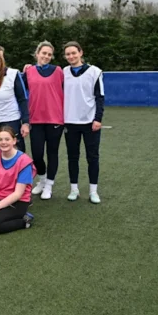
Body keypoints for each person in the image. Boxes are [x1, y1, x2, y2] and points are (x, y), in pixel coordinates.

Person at [62, 41, 104, 204]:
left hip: (90, 122)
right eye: (68, 54)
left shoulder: (95, 72)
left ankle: (93, 191)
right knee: (73, 157)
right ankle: (74, 189)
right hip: (70, 122)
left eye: (74, 53)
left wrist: (98, 119)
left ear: (81, 52)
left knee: (92, 157)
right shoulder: (63, 72)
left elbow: (100, 97)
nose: (71, 56)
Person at [22, 41, 64, 200]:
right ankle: (42, 178)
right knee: (37, 154)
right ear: (37, 53)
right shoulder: (29, 71)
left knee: (52, 153)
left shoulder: (59, 71)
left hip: (55, 119)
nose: (46, 56)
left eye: (49, 54)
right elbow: (19, 91)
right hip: (35, 120)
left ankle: (49, 185)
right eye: (43, 53)